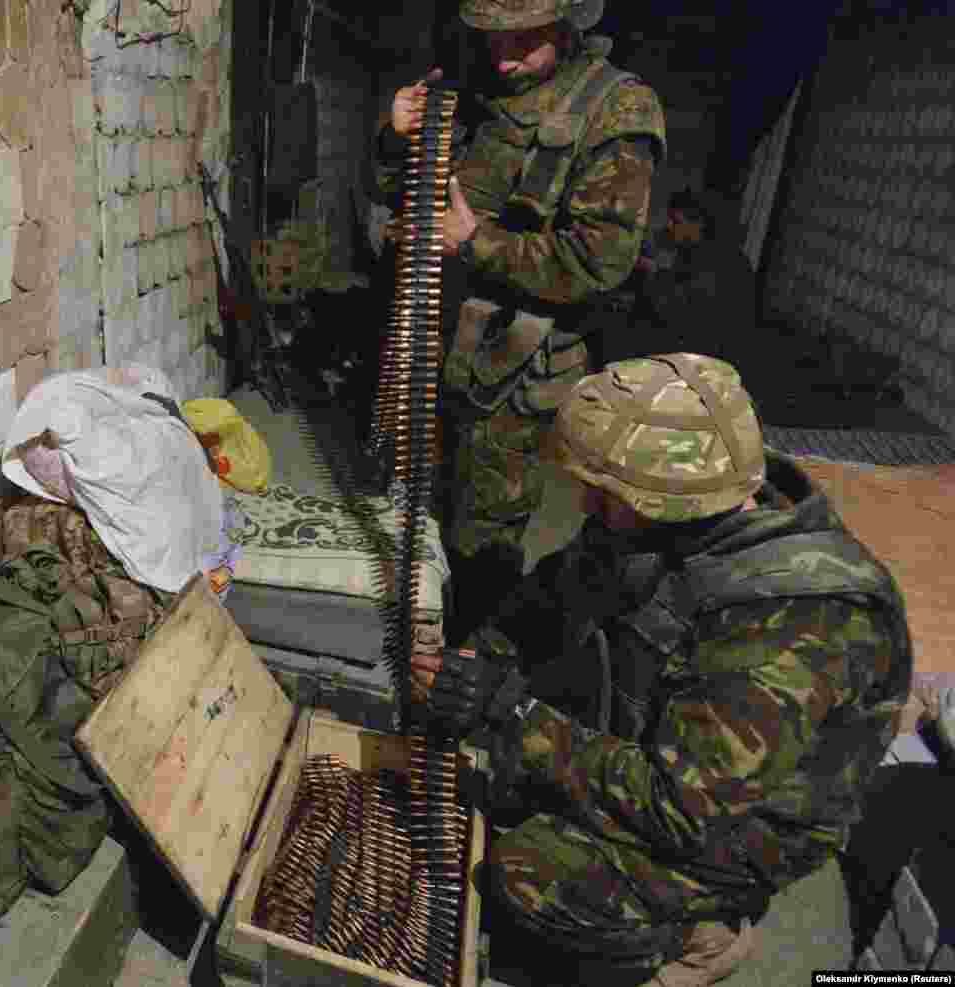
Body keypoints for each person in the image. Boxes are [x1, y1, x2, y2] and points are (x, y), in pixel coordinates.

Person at [409, 353, 912, 986]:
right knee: (496, 782)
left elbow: (684, 808)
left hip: (736, 825)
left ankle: (704, 937)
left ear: (667, 497)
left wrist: (510, 711)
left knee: (530, 872)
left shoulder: (794, 620)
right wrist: (473, 662)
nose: (587, 503)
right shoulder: (657, 528)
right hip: (669, 754)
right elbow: (540, 607)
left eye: (607, 491)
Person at [370, 0, 666, 643]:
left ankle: (465, 662)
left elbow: (597, 264)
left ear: (567, 25)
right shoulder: (470, 85)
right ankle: (412, 641)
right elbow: (407, 197)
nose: (504, 57)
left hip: (514, 365)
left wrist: (475, 243)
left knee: (483, 533)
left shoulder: (616, 110)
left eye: (525, 40)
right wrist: (396, 139)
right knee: (412, 502)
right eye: (493, 39)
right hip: (430, 335)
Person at [643, 188, 758, 361]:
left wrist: (652, 273)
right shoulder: (700, 250)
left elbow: (674, 313)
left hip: (711, 358)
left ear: (698, 224)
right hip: (701, 343)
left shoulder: (717, 262)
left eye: (675, 221)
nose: (668, 225)